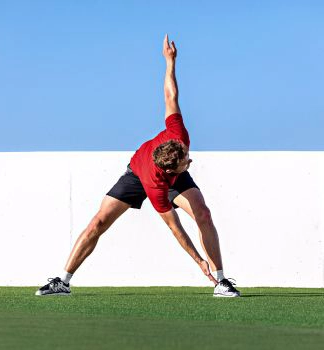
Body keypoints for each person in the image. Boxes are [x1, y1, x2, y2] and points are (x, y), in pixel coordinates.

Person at [36, 35, 240, 298]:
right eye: (185, 163)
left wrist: (170, 61)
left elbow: (170, 94)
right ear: (170, 170)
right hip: (137, 175)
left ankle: (222, 282)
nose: (190, 161)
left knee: (203, 213)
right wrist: (198, 261)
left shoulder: (178, 135)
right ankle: (62, 282)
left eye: (187, 156)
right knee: (98, 222)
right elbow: (175, 227)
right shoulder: (156, 186)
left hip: (166, 174)